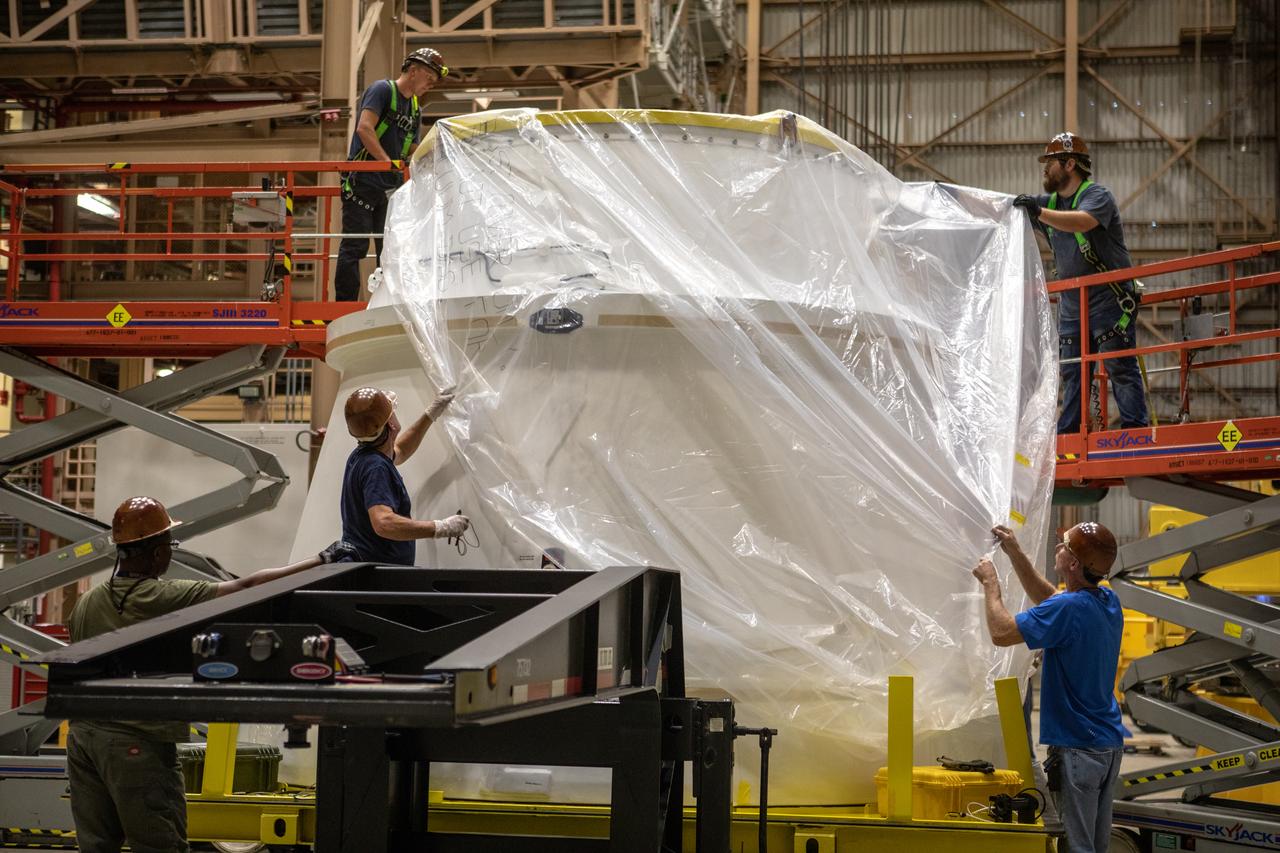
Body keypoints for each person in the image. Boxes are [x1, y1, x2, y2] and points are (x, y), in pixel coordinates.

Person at [65, 496, 356, 853]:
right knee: (160, 844)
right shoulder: (158, 596)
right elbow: (247, 588)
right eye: (168, 546)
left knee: (96, 845)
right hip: (134, 742)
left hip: (82, 739)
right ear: (156, 554)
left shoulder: (86, 602)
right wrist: (322, 560)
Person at [973, 522, 1127, 853]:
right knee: (1094, 846)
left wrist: (991, 584)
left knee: (1077, 847)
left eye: (1063, 546)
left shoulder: (1069, 609)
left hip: (1078, 748)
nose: (1057, 548)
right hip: (1107, 744)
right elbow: (1050, 597)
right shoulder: (1108, 602)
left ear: (1073, 564)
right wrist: (1015, 553)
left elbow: (1001, 632)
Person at [1013, 132, 1149, 433]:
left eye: (1051, 163)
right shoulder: (1048, 203)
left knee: (1119, 368)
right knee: (1074, 371)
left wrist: (1038, 212)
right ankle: (1070, 433)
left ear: (1070, 164)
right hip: (1073, 306)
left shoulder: (1097, 196)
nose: (1045, 169)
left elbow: (1082, 221)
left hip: (1109, 303)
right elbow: (1008, 208)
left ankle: (1135, 432)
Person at [335, 47, 449, 301]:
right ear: (413, 70)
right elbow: (365, 129)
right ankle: (343, 306)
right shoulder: (382, 90)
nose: (430, 85)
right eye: (428, 78)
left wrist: (438, 151)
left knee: (389, 250)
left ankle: (385, 303)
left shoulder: (414, 107)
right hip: (363, 183)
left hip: (390, 188)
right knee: (355, 246)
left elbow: (409, 145)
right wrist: (386, 163)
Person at [341, 386, 469, 565]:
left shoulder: (364, 456)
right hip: (378, 580)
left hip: (370, 571)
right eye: (392, 412)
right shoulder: (376, 468)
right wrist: (440, 527)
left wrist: (431, 414)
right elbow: (383, 522)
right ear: (391, 425)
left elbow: (400, 450)